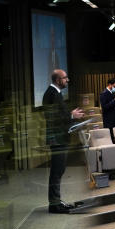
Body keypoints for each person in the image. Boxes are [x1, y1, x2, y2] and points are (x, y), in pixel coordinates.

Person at [42, 69, 85, 213]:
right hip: (57, 138)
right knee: (56, 170)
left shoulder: (56, 94)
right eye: (65, 78)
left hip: (60, 137)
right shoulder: (52, 94)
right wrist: (71, 116)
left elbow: (60, 115)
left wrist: (71, 116)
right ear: (58, 80)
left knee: (59, 170)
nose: (67, 80)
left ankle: (56, 201)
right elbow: (53, 118)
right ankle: (54, 204)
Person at [99, 77, 115, 141]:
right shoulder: (104, 93)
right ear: (109, 84)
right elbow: (105, 107)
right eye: (114, 86)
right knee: (111, 140)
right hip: (109, 121)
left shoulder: (112, 94)